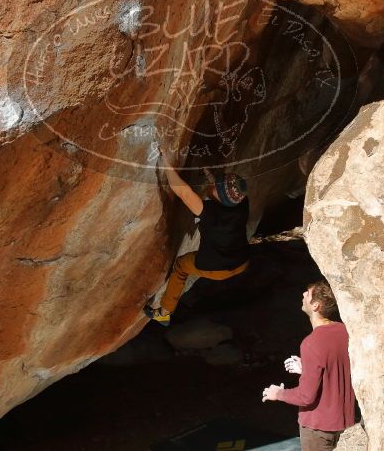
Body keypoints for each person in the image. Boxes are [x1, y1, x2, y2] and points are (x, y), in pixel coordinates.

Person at [144, 148, 250, 326]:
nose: (212, 185)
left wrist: (168, 165)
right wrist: (209, 175)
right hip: (242, 260)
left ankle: (164, 312)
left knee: (180, 267)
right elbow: (224, 192)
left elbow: (184, 193)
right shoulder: (241, 202)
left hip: (217, 268)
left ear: (220, 197)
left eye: (215, 187)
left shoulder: (210, 214)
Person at [262, 281, 356, 451]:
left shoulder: (311, 343)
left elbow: (306, 397)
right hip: (342, 419)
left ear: (316, 305)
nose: (303, 295)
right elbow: (336, 369)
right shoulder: (342, 330)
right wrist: (307, 369)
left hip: (318, 425)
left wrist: (278, 393)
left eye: (307, 293)